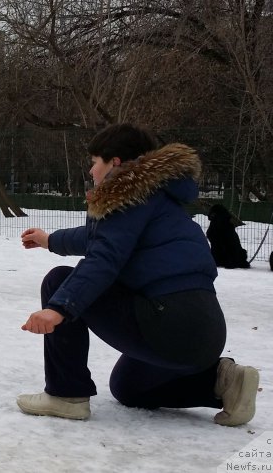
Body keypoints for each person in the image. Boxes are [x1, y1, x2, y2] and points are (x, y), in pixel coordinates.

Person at [16, 123, 259, 426]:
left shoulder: (126, 197)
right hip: (204, 333)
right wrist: (50, 240)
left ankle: (66, 395)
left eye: (95, 162)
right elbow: (102, 237)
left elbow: (103, 258)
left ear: (114, 162)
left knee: (59, 281)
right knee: (127, 388)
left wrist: (58, 308)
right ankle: (222, 383)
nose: (91, 171)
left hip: (168, 322)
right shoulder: (156, 197)